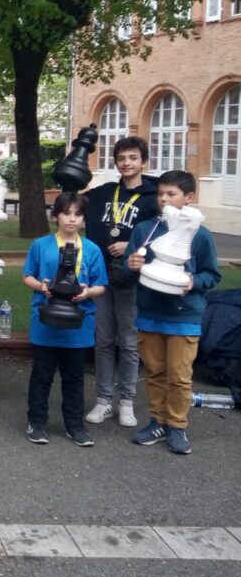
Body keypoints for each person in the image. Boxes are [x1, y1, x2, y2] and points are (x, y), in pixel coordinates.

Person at [126, 170, 221, 455]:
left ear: (189, 198)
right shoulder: (145, 230)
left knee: (179, 376)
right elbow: (128, 272)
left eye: (172, 194)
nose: (164, 199)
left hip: (184, 317)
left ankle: (177, 426)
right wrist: (130, 266)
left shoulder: (200, 235)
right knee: (155, 372)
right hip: (150, 313)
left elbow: (212, 275)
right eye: (161, 194)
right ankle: (158, 421)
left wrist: (193, 282)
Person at [83, 136, 159, 428]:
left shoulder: (154, 197)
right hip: (102, 276)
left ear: (143, 161)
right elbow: (73, 204)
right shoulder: (104, 193)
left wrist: (132, 245)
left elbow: (164, 237)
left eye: (132, 158)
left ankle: (126, 402)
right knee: (102, 341)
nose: (126, 163)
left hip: (132, 279)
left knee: (128, 343)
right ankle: (103, 400)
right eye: (121, 159)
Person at [22, 192, 107, 447]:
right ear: (56, 215)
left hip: (78, 325)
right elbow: (27, 276)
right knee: (42, 375)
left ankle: (75, 425)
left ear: (83, 219)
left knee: (74, 377)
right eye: (66, 213)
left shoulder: (91, 249)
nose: (71, 219)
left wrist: (87, 292)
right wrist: (41, 287)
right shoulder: (41, 245)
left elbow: (101, 285)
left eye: (77, 215)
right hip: (45, 322)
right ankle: (36, 422)